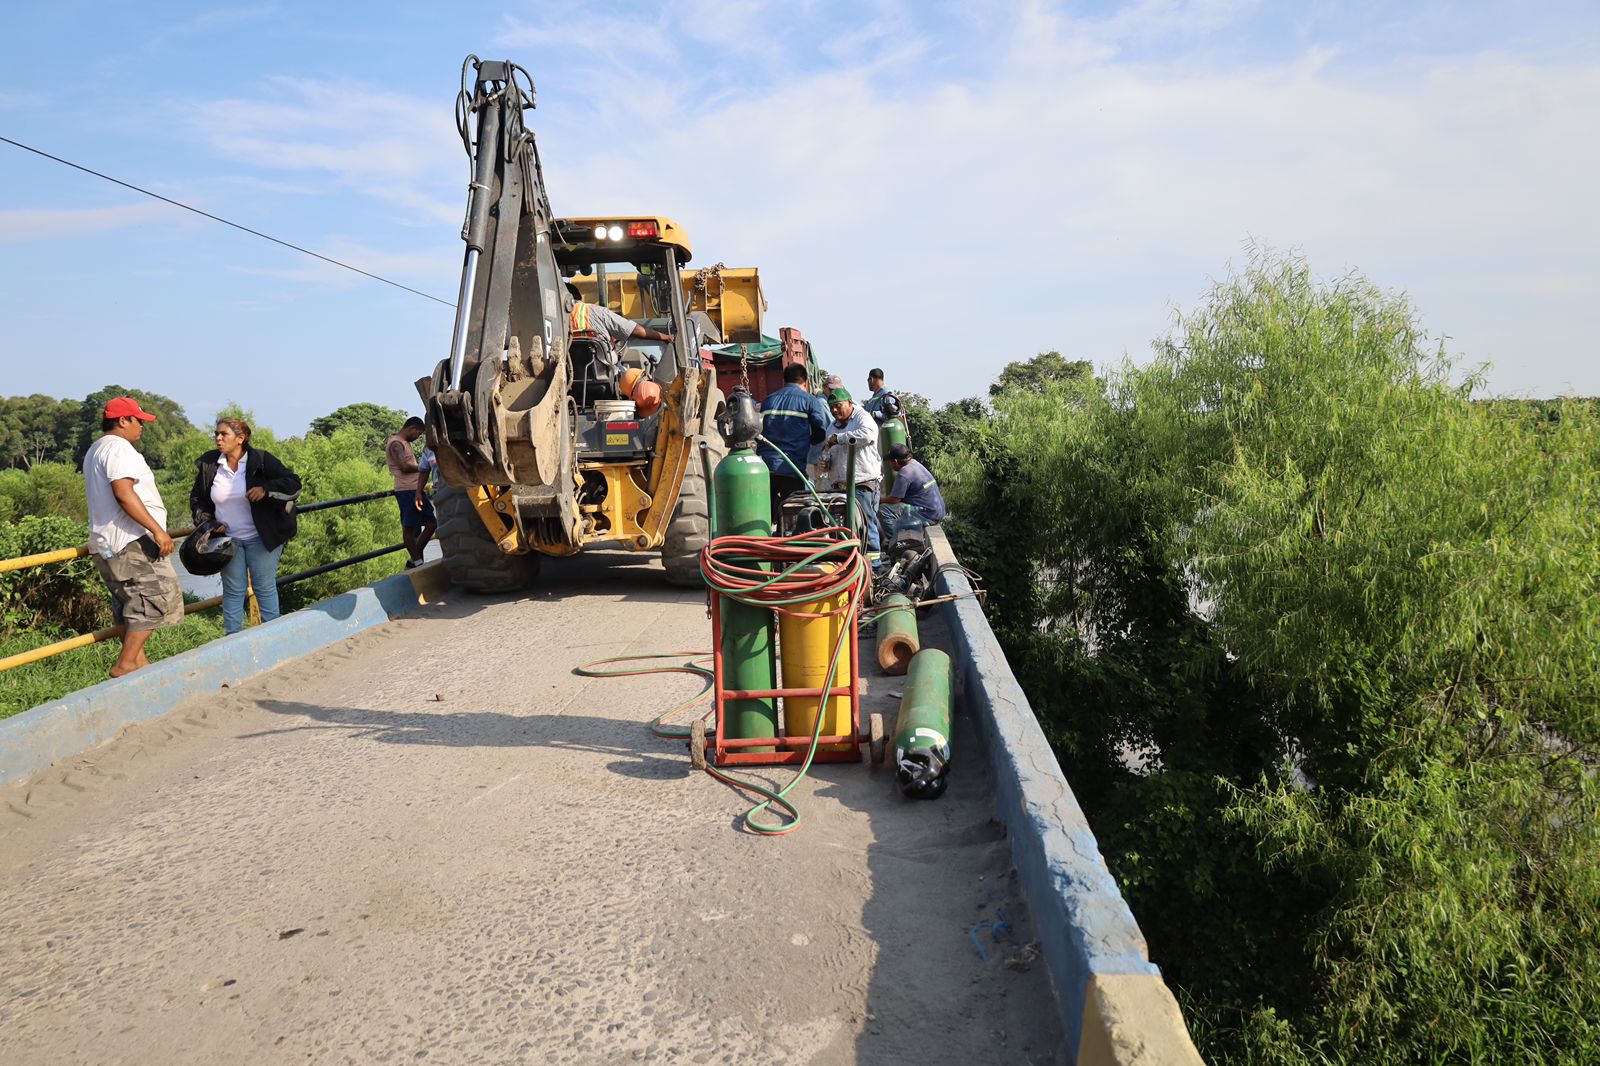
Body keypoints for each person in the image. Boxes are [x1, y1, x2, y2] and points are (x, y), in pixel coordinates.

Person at [81, 396, 185, 676]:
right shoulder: (118, 448)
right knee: (152, 602)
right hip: (129, 541)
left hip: (108, 543)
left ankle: (139, 665)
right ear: (123, 420)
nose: (142, 426)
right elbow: (124, 494)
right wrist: (158, 530)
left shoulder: (96, 448)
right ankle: (126, 665)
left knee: (131, 606)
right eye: (138, 420)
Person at [189, 418, 302, 635]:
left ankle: (272, 635)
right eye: (216, 434)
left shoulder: (260, 459)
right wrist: (209, 523)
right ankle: (233, 638)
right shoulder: (210, 464)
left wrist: (265, 489)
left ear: (241, 438)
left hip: (262, 537)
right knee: (233, 591)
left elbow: (293, 483)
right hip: (227, 541)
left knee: (264, 587)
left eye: (224, 434)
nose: (218, 438)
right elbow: (198, 500)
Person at [757, 362, 829, 521]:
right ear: (805, 382)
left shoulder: (768, 400)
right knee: (793, 516)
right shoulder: (810, 400)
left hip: (766, 467)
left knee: (765, 515)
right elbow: (820, 431)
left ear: (785, 381)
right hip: (793, 467)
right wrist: (807, 442)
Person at [820, 387, 884, 565]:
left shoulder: (863, 418)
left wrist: (838, 439)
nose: (834, 410)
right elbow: (829, 451)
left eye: (838, 406)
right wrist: (826, 462)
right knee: (844, 528)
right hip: (839, 487)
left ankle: (874, 567)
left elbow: (867, 435)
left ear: (849, 403)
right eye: (831, 407)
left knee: (865, 524)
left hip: (862, 483)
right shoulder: (832, 426)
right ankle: (848, 564)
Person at [565, 281, 674, 368]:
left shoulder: (557, 319)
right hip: (605, 370)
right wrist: (666, 337)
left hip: (569, 371)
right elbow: (632, 330)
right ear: (579, 297)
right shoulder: (597, 312)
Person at [386, 417, 436, 569]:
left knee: (431, 524)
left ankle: (415, 559)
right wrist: (424, 466)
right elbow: (404, 467)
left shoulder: (402, 443)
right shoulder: (396, 444)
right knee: (408, 527)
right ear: (412, 428)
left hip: (415, 489)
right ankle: (417, 560)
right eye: (418, 434)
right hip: (406, 490)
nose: (418, 437)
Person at [879, 443, 947, 544]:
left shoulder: (904, 473)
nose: (889, 464)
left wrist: (878, 499)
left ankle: (897, 542)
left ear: (896, 462)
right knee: (900, 508)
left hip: (927, 514)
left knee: (884, 510)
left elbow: (894, 500)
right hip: (938, 511)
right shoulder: (915, 464)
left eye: (890, 461)